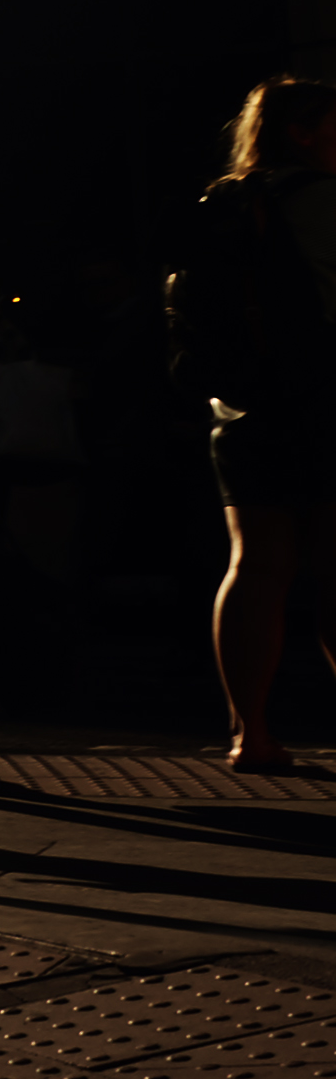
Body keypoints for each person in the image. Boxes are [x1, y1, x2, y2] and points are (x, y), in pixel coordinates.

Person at [184, 76, 336, 772]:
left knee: (252, 566)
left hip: (240, 410)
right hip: (324, 402)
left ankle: (251, 733)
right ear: (303, 130)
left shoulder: (219, 202)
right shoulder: (325, 200)